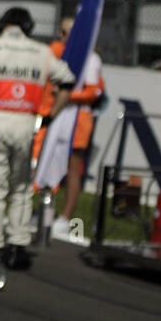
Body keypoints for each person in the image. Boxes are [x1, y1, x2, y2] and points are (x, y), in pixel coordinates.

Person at [0, 7, 74, 278]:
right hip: (26, 123)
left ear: (2, 24)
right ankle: (17, 246)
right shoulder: (42, 52)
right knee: (21, 186)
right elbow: (68, 82)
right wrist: (49, 117)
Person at [32, 15, 105, 240]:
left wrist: (67, 96)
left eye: (65, 34)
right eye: (60, 32)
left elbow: (96, 92)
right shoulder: (55, 53)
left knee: (73, 169)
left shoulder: (91, 59)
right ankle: (44, 211)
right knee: (46, 162)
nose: (60, 37)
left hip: (77, 120)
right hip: (55, 116)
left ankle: (66, 217)